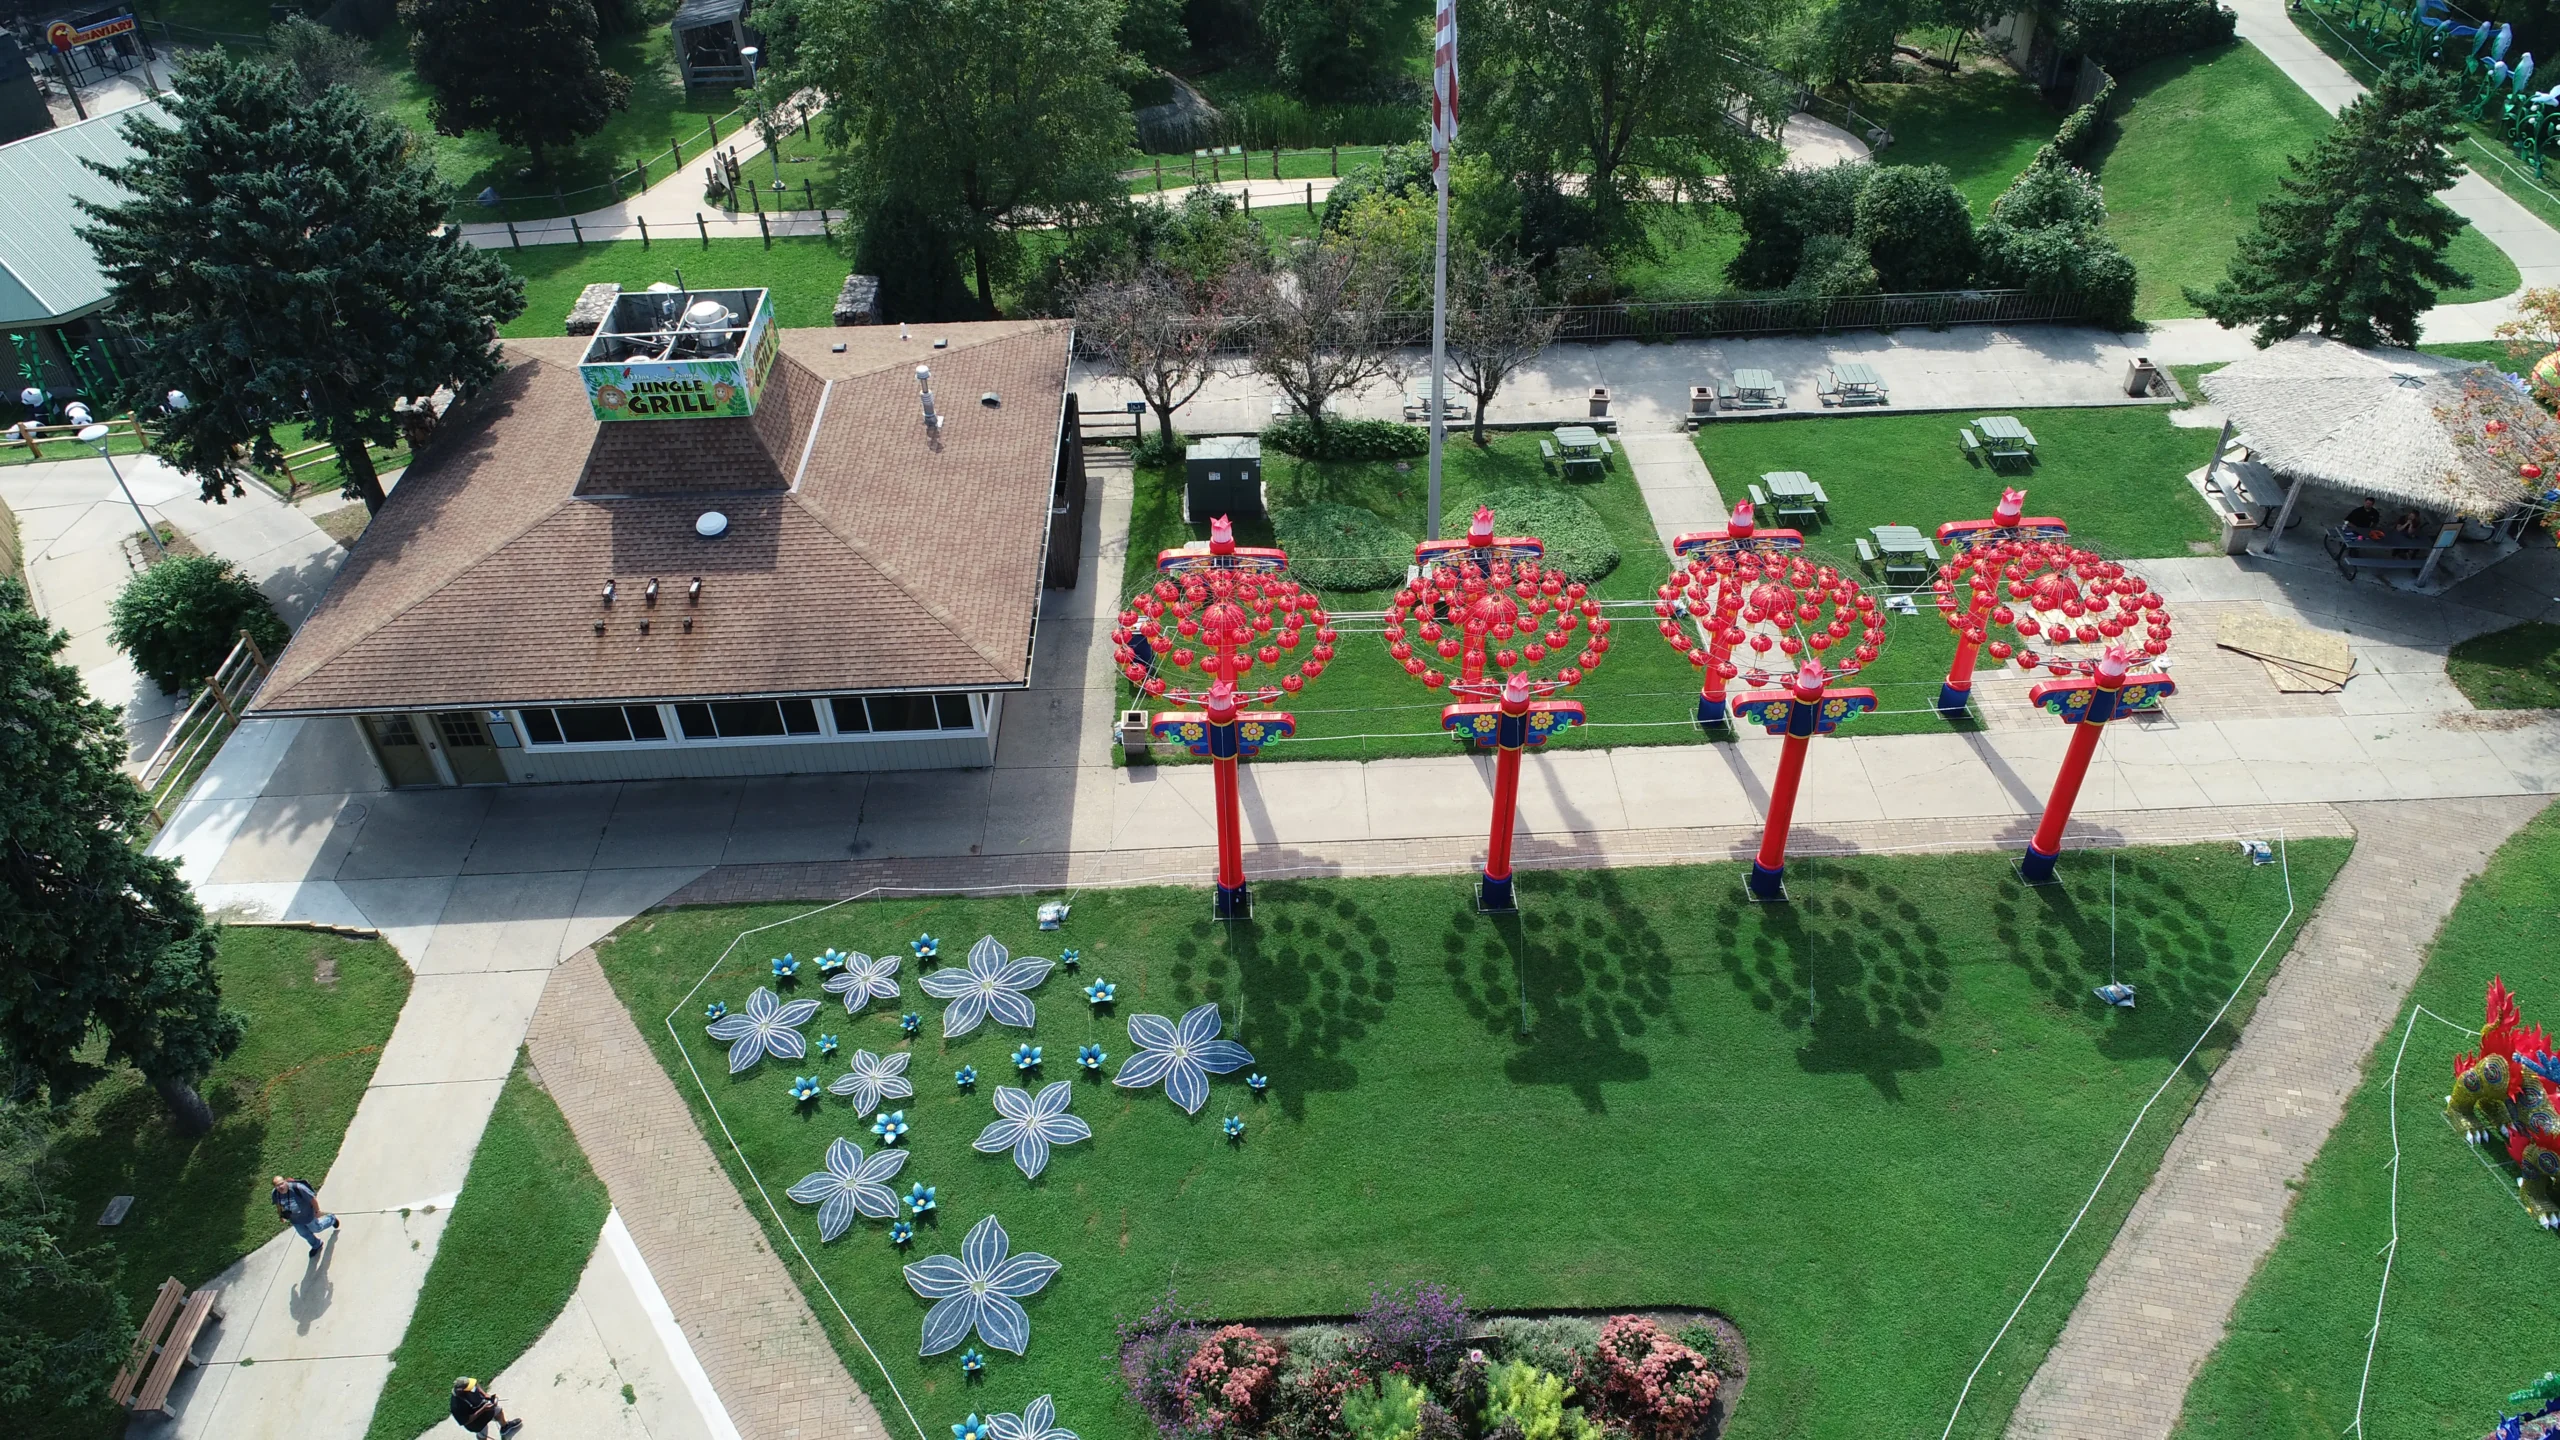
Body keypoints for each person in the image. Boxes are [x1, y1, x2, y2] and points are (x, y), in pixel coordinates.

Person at [270, 1175, 339, 1258]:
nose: (280, 1187)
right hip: (295, 1220)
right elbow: (278, 1205)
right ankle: (316, 1245)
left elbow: (312, 1199)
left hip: (308, 1215)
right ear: (275, 1187)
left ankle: (331, 1219)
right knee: (304, 1234)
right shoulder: (275, 1193)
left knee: (317, 1228)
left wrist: (317, 1211)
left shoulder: (298, 1188)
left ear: (285, 1181)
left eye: (281, 1183)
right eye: (277, 1185)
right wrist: (280, 1215)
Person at [450, 1377, 523, 1438]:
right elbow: (466, 1421)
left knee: (499, 1411)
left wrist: (485, 1395)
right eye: (470, 1387)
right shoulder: (456, 1406)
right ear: (461, 1390)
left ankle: (505, 1427)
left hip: (484, 1408)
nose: (473, 1387)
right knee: (483, 1434)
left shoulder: (467, 1384)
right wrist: (483, 1409)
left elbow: (475, 1384)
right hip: (475, 1422)